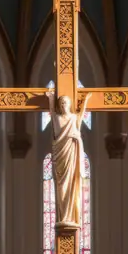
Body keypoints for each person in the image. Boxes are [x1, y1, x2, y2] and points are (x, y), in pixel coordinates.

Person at [46, 89, 91, 227]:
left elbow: (81, 115)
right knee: (61, 187)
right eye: (61, 103)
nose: (63, 105)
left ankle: (70, 216)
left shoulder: (74, 118)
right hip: (59, 156)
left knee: (71, 184)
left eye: (65, 102)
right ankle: (62, 216)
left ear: (70, 104)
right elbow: (51, 111)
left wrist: (85, 101)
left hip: (71, 153)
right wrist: (51, 99)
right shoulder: (56, 118)